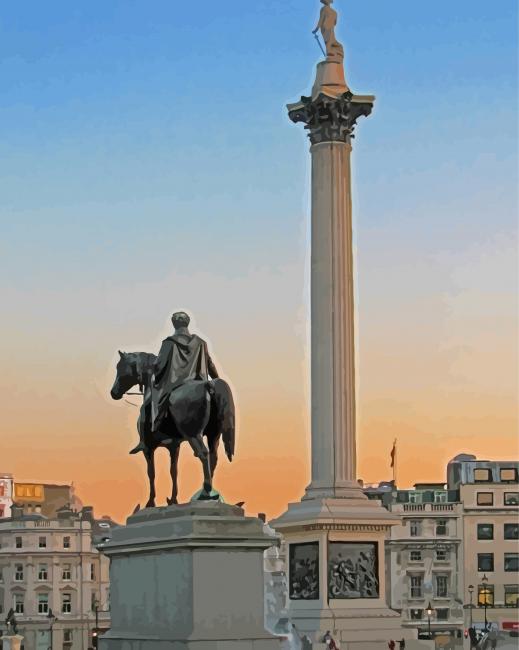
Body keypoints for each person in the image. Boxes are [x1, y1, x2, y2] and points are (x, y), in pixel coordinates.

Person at [129, 311, 219, 454]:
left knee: (146, 405)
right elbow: (210, 365)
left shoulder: (169, 343)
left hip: (173, 385)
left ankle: (144, 440)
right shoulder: (201, 343)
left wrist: (152, 378)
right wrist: (216, 381)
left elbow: (159, 366)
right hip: (199, 383)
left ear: (173, 323)